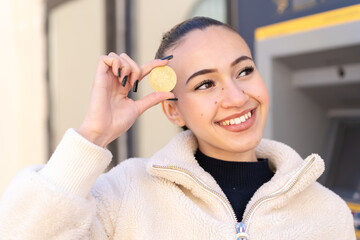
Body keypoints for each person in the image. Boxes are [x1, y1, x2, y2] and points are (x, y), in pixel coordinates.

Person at [0, 17, 355, 240]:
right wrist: (94, 133)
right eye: (205, 85)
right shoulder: (126, 194)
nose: (236, 97)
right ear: (173, 110)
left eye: (244, 71)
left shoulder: (327, 211)